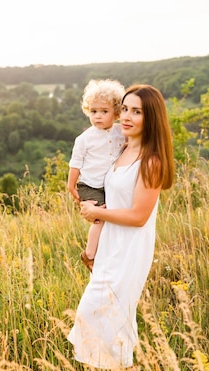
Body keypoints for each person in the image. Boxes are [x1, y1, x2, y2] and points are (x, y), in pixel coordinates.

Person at [67, 84, 175, 371]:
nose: (126, 116)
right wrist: (86, 198)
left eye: (136, 112)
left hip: (130, 248)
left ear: (150, 118)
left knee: (104, 313)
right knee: (103, 315)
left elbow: (139, 216)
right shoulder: (122, 148)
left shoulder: (151, 161)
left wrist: (96, 212)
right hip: (111, 245)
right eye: (124, 108)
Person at [67, 79, 125, 273]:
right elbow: (76, 163)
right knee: (100, 218)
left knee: (113, 217)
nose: (98, 116)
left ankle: (109, 252)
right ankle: (90, 255)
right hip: (90, 185)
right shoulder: (84, 139)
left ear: (116, 112)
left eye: (104, 111)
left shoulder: (120, 132)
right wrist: (71, 185)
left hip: (110, 185)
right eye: (93, 111)